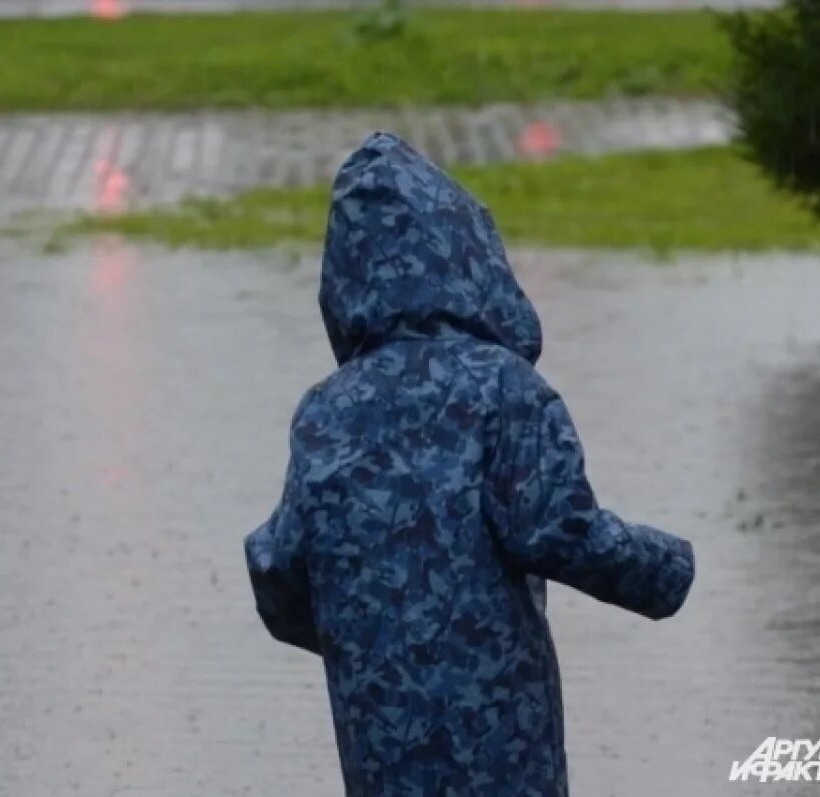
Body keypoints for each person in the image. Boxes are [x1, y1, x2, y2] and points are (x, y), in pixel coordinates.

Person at [244, 131, 695, 797]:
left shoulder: (326, 410)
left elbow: (281, 568)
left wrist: (367, 635)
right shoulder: (504, 388)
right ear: (470, 257)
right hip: (501, 736)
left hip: (380, 736)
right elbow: (557, 528)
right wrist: (666, 569)